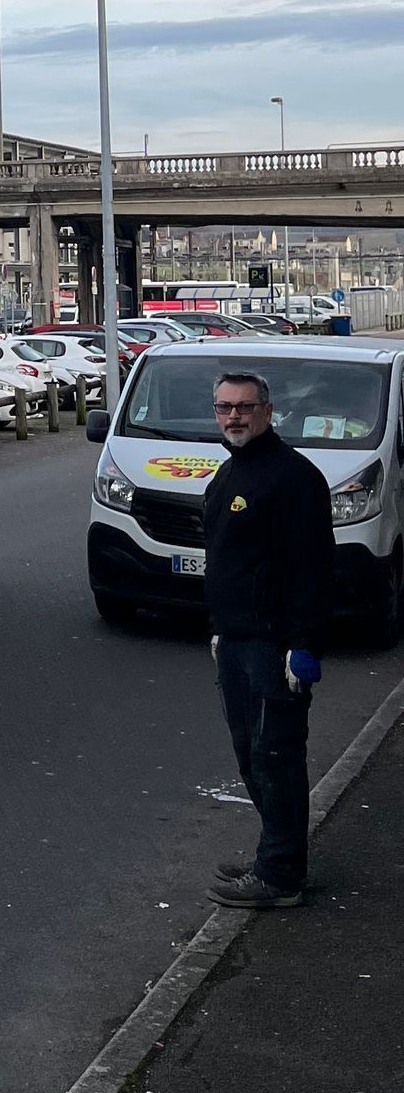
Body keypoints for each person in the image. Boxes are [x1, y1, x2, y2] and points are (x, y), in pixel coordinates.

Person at [202, 370, 333, 908]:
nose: (234, 416)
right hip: (235, 639)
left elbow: (313, 568)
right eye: (224, 407)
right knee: (250, 758)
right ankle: (276, 854)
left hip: (274, 645)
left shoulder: (293, 478)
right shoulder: (231, 474)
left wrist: (302, 644)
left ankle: (279, 876)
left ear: (267, 411)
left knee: (275, 755)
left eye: (244, 407)